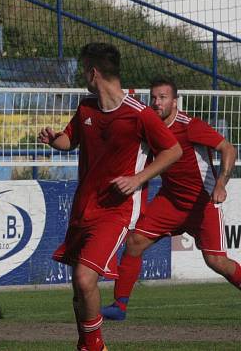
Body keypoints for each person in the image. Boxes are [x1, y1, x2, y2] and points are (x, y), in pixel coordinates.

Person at [38, 43, 182, 351]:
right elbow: (70, 140)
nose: (82, 76)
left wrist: (138, 179)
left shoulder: (139, 114)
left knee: (85, 277)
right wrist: (55, 141)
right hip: (84, 207)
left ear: (93, 72)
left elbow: (174, 150)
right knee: (79, 288)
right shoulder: (86, 107)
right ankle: (87, 345)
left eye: (83, 70)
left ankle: (96, 347)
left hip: (116, 211)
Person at [102, 76, 241, 321]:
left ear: (174, 102)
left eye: (163, 98)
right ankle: (119, 306)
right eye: (153, 98)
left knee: (217, 262)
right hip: (170, 202)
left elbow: (229, 149)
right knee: (135, 242)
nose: (157, 103)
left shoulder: (190, 126)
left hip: (203, 204)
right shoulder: (149, 128)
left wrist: (221, 183)